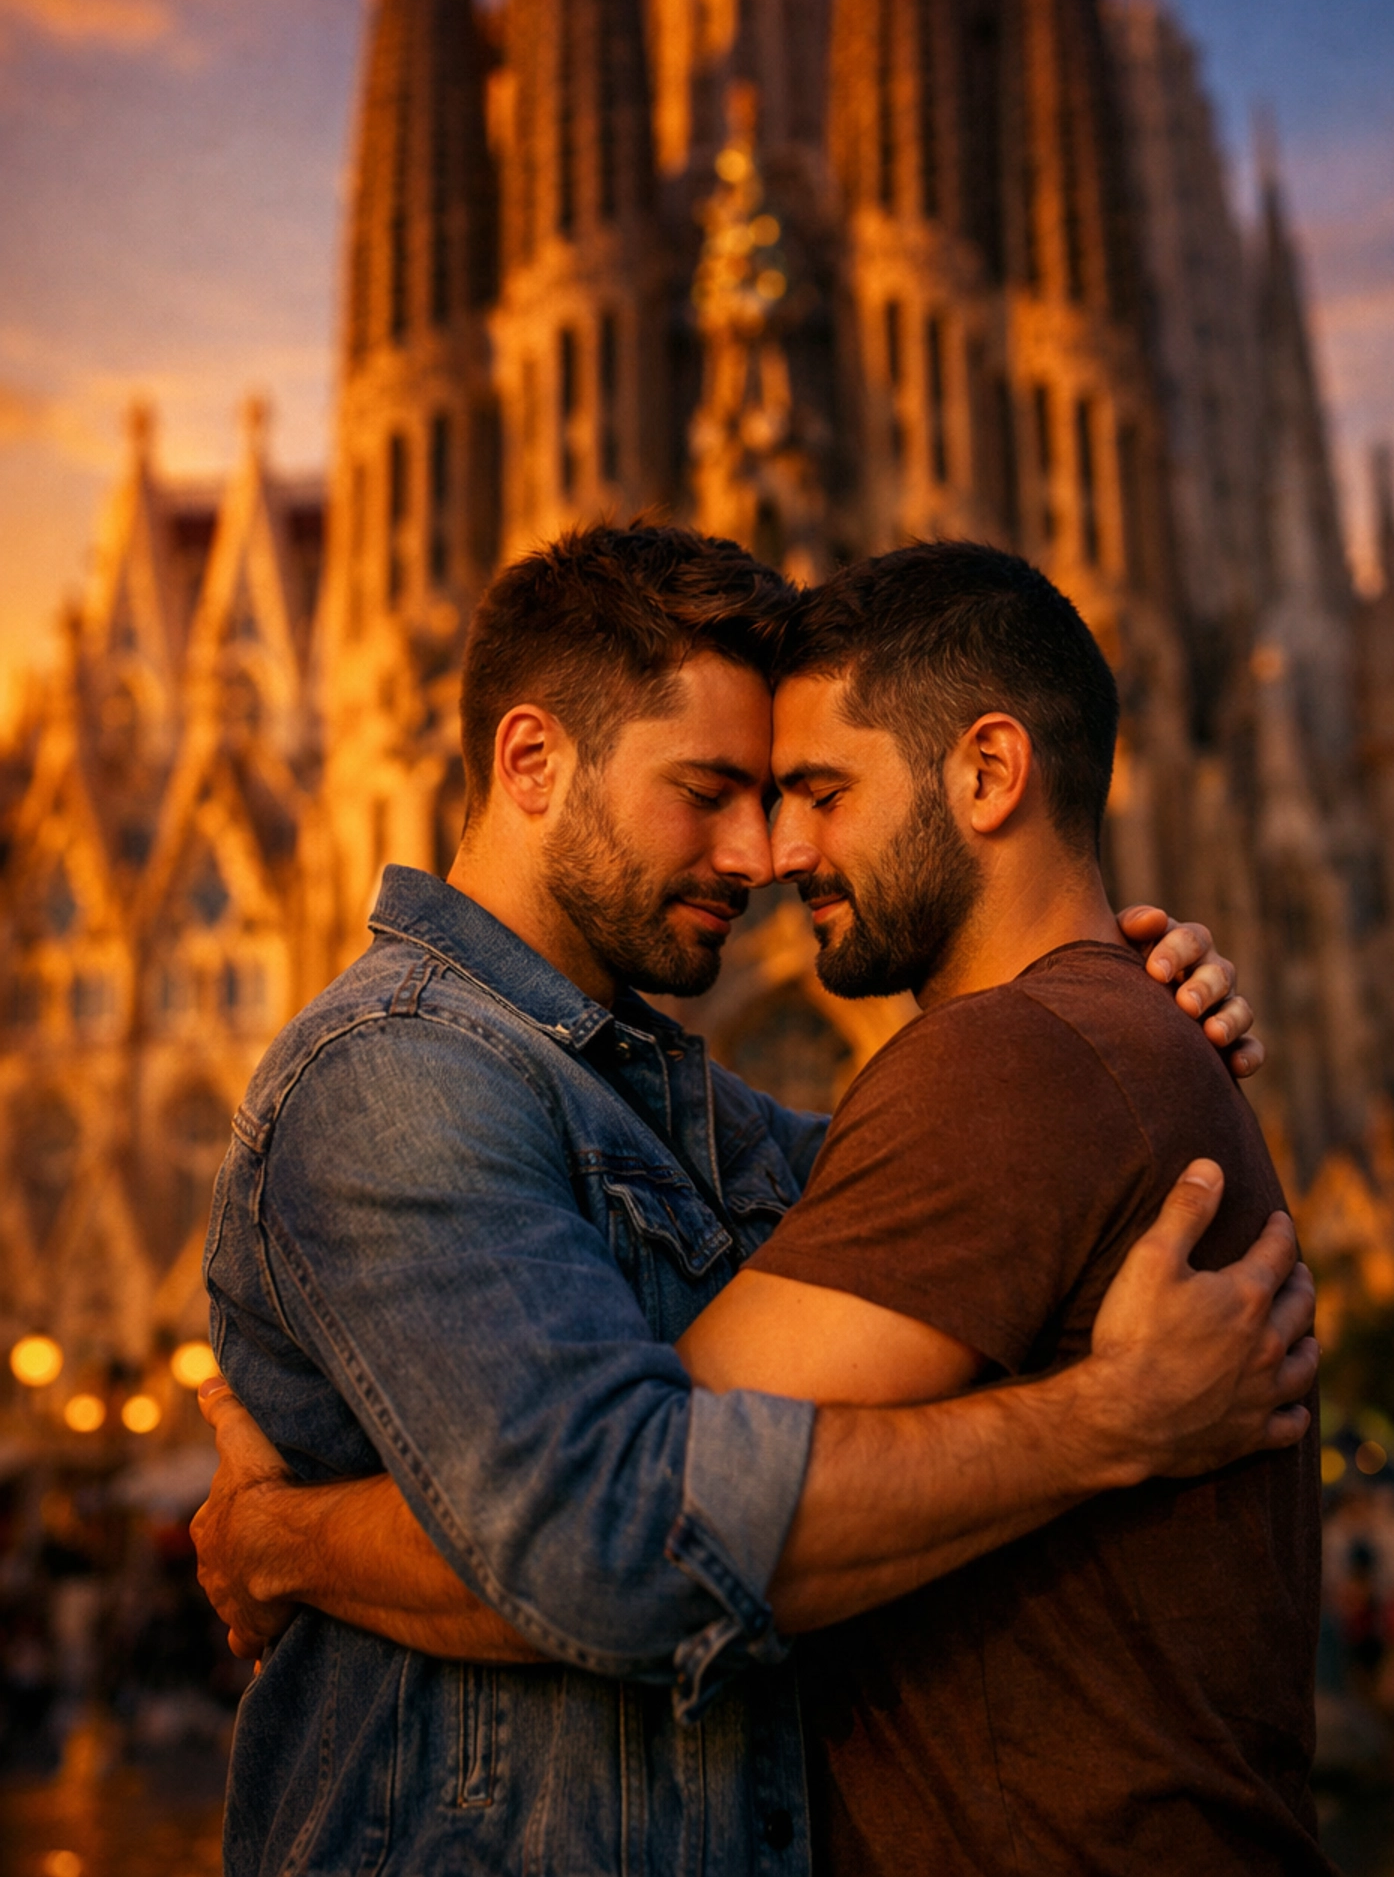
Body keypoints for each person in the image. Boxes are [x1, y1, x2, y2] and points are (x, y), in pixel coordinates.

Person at [195, 526, 1316, 1877]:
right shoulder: (394, 1078)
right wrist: (1107, 1422)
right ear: (532, 762)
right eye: (714, 791)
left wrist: (288, 1539)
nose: (764, 852)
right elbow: (613, 1534)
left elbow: (985, 1169)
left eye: (796, 791)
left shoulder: (700, 1114)